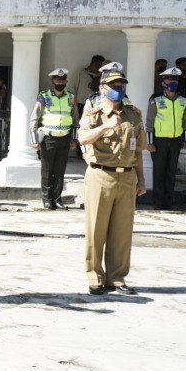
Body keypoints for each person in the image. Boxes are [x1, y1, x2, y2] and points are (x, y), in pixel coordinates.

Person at [78, 70, 147, 296]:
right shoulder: (93, 114)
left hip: (126, 177)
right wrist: (106, 127)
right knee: (96, 229)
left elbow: (138, 150)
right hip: (100, 175)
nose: (118, 88)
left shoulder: (134, 115)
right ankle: (95, 277)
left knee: (122, 232)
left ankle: (117, 278)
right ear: (102, 88)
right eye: (113, 84)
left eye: (121, 84)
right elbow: (82, 139)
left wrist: (141, 179)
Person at [30, 67, 78, 210]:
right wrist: (34, 141)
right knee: (47, 169)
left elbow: (75, 119)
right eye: (58, 80)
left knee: (60, 170)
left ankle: (57, 199)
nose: (61, 82)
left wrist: (74, 139)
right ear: (52, 81)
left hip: (65, 138)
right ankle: (46, 198)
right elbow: (34, 118)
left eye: (63, 80)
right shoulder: (44, 96)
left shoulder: (70, 96)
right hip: (48, 138)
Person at [146, 66, 186, 210]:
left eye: (175, 79)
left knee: (171, 172)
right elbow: (149, 122)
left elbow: (184, 121)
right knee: (159, 171)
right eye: (170, 79)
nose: (173, 82)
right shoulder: (156, 99)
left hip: (175, 140)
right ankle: (158, 202)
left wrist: (184, 139)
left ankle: (169, 202)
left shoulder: (182, 100)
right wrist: (149, 142)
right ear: (163, 82)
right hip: (159, 140)